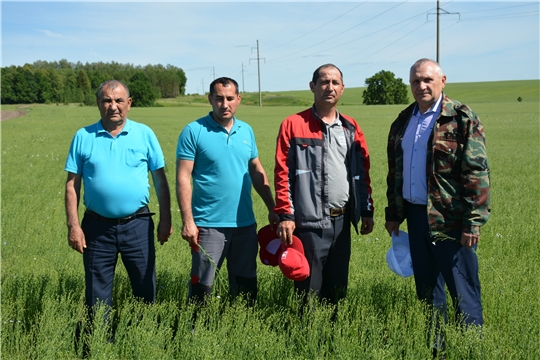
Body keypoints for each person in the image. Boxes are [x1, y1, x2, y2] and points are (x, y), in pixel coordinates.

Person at [385, 59, 490, 353]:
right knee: (428, 290)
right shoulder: (403, 120)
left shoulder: (460, 117)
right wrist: (393, 214)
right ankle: (437, 349)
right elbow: (395, 172)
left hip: (451, 220)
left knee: (463, 290)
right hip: (417, 218)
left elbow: (476, 172)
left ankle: (471, 349)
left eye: (428, 80)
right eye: (416, 81)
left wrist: (473, 221)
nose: (422, 86)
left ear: (442, 80)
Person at [65, 80, 172, 315]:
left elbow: (160, 181)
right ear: (98, 103)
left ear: (129, 103)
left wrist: (166, 220)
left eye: (119, 100)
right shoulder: (83, 136)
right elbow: (72, 185)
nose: (113, 106)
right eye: (107, 100)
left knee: (145, 288)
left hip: (138, 225)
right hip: (96, 228)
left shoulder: (145, 134)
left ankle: (141, 338)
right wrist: (73, 225)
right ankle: (99, 343)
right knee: (96, 295)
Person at [274, 64, 374, 305]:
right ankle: (307, 337)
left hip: (342, 222)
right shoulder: (293, 124)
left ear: (342, 88)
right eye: (324, 82)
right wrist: (286, 215)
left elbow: (362, 172)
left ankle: (332, 336)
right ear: (313, 86)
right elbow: (282, 173)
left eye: (335, 82)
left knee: (337, 289)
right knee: (308, 289)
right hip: (308, 223)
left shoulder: (350, 127)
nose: (330, 87)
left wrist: (366, 211)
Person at [176, 77, 278, 305]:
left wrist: (272, 207)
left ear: (238, 99)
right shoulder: (194, 131)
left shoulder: (246, 131)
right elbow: (183, 178)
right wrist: (188, 221)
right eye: (219, 98)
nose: (225, 104)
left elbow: (256, 170)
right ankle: (195, 331)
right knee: (202, 286)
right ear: (210, 99)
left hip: (244, 225)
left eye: (230, 98)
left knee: (246, 285)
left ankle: (241, 327)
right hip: (209, 225)